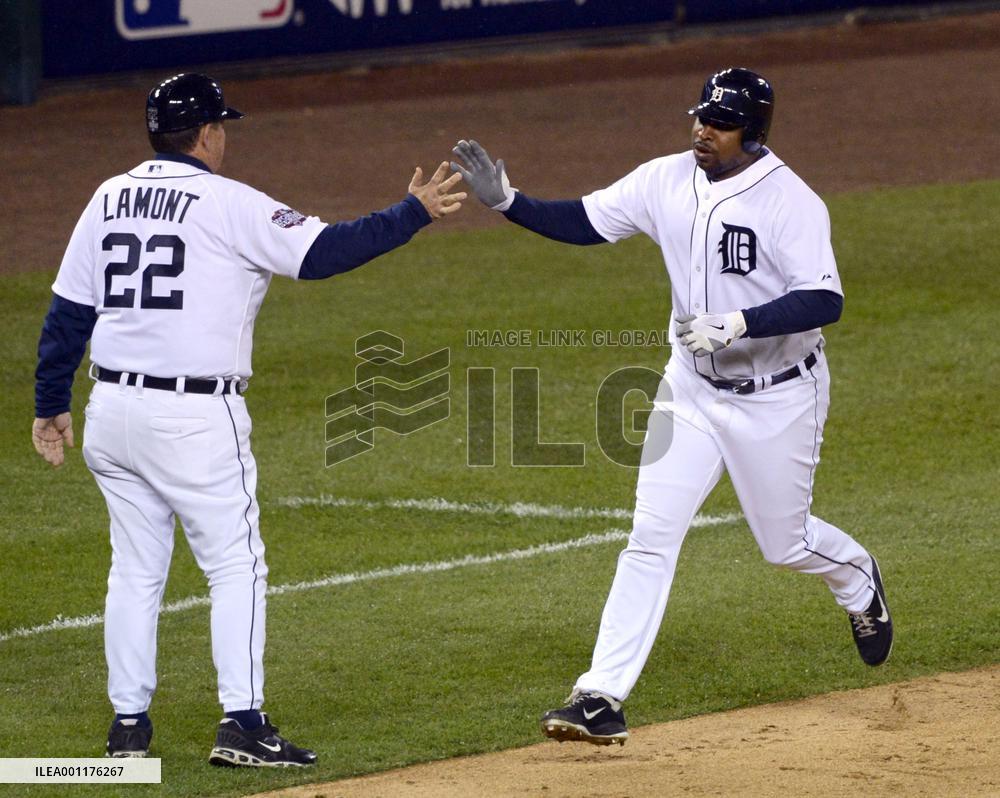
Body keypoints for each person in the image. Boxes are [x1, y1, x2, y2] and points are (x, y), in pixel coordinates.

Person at [32, 72, 465, 765]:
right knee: (236, 566)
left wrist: (50, 403)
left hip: (110, 412)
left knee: (135, 571)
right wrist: (411, 211)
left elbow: (68, 313)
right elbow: (323, 254)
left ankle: (127, 731)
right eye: (222, 126)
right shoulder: (226, 202)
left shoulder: (108, 195)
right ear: (206, 135)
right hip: (192, 418)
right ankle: (243, 723)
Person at [452, 67, 892, 747]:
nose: (702, 131)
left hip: (777, 399)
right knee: (650, 535)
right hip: (689, 390)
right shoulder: (664, 179)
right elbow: (587, 222)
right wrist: (509, 201)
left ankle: (859, 579)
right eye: (700, 118)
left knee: (785, 544)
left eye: (719, 124)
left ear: (753, 132)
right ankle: (600, 696)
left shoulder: (790, 202)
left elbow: (824, 298)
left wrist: (739, 323)